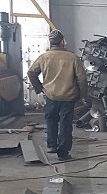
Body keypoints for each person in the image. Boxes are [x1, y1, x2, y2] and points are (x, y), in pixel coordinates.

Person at [28, 30, 88, 160]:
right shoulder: (72, 57)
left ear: (51, 43)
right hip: (68, 96)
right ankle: (63, 152)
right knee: (65, 123)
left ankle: (51, 145)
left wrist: (40, 89)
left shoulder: (44, 57)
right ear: (62, 42)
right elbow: (82, 78)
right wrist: (82, 95)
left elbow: (31, 73)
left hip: (51, 95)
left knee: (51, 120)